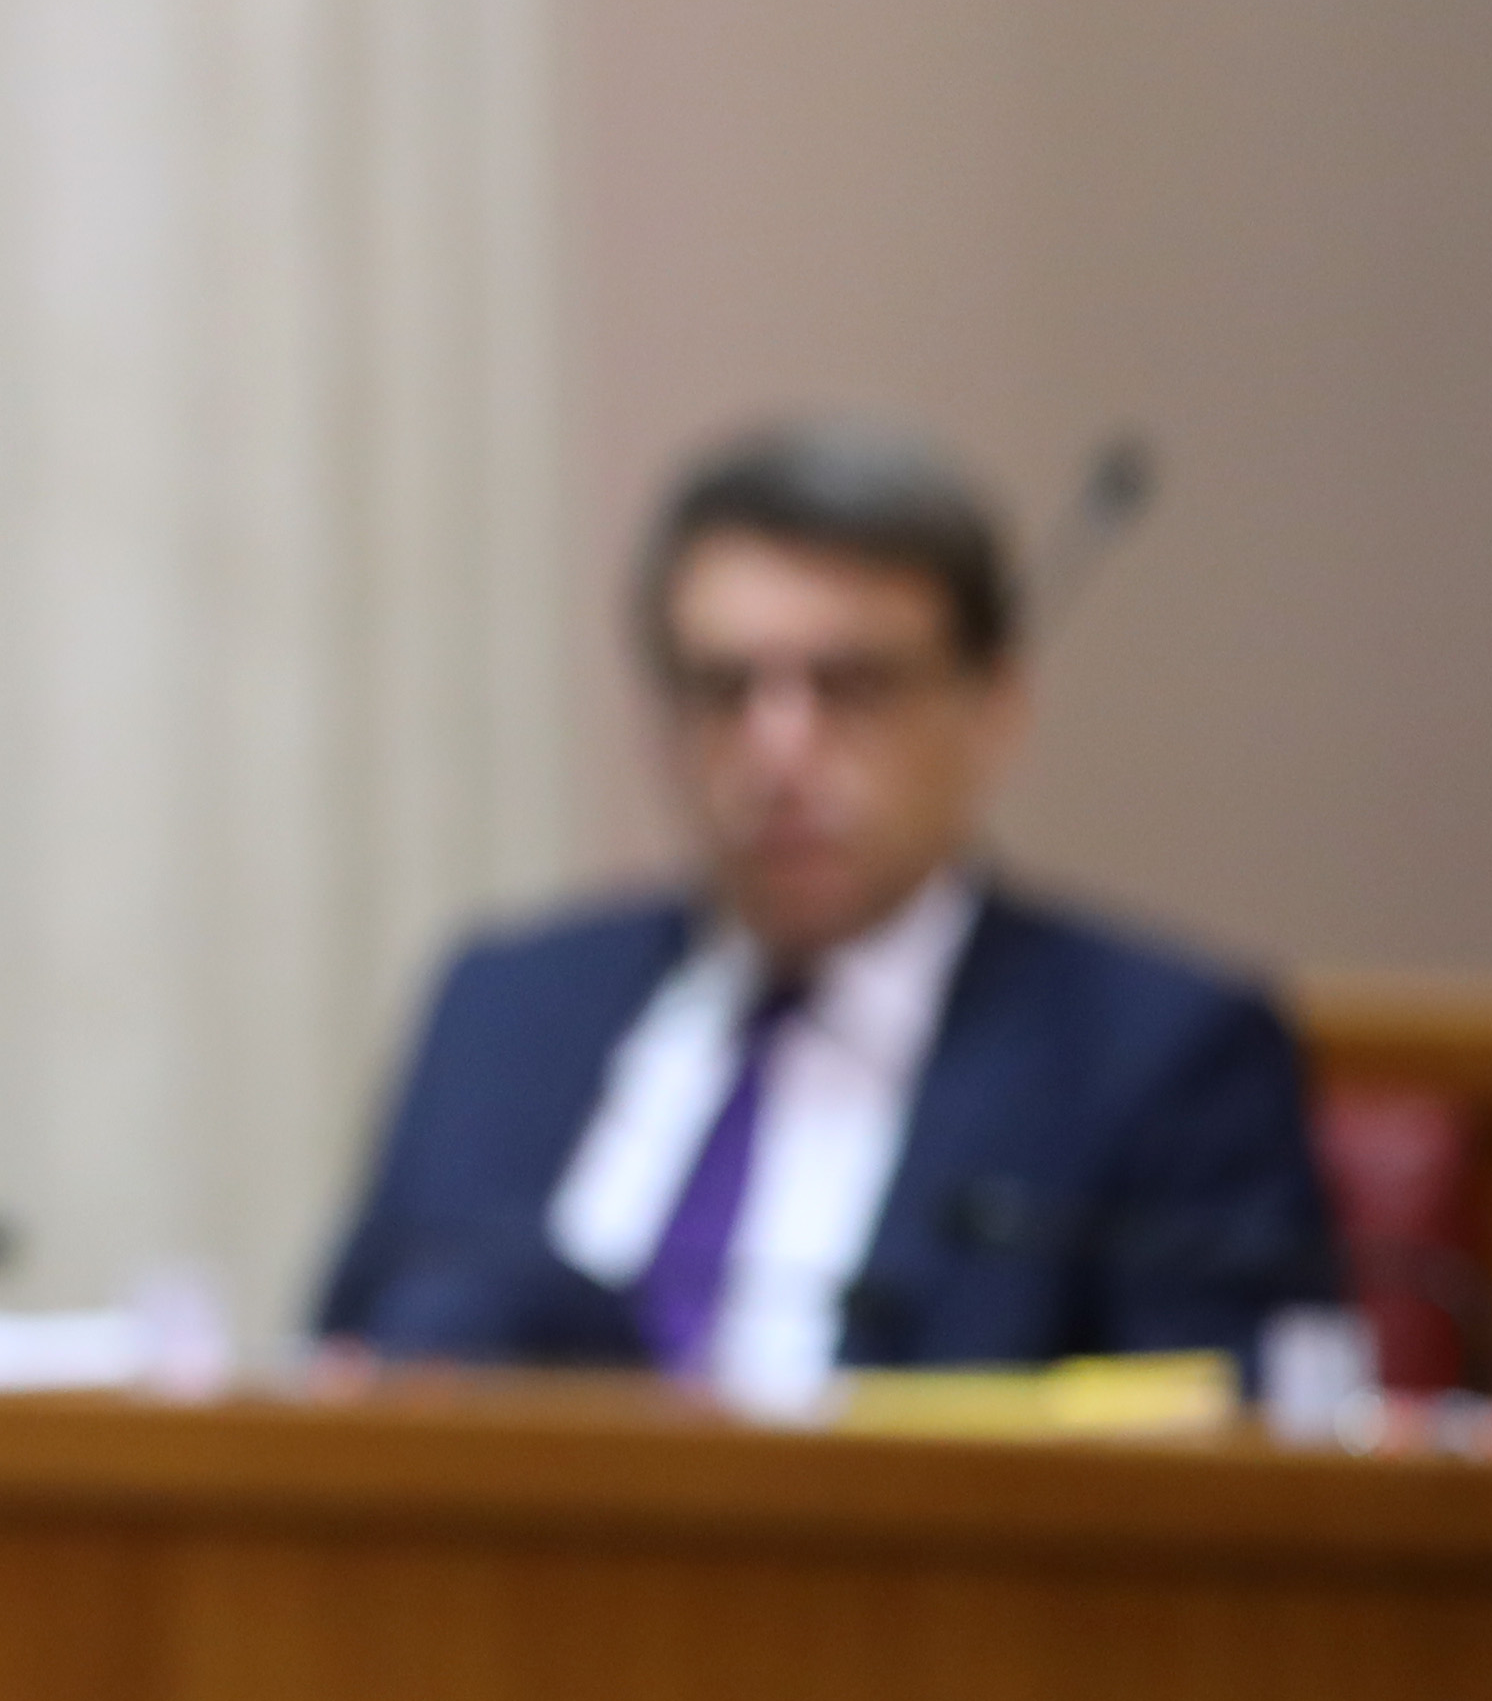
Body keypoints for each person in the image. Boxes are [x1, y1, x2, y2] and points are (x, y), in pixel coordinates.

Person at [316, 419, 1340, 1404]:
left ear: (994, 706)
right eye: (725, 689)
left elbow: (1223, 1460)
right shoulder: (504, 1009)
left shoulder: (1160, 1055)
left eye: (852, 687)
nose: (779, 752)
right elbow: (336, 1379)